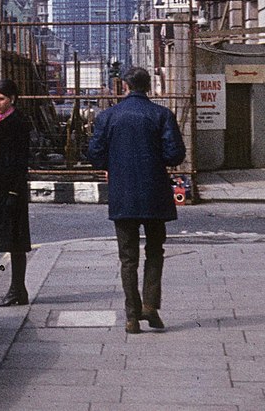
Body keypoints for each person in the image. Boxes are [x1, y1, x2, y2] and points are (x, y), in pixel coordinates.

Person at [87, 66, 186, 334]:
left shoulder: (108, 116)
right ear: (148, 86)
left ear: (125, 86)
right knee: (155, 251)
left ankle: (131, 316)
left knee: (128, 257)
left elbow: (94, 154)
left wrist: (113, 163)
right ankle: (150, 306)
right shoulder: (162, 115)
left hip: (123, 193)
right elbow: (175, 154)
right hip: (154, 192)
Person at [0, 78, 33, 307]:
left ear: (12, 99)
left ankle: (17, 290)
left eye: (1, 99)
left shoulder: (17, 123)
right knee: (11, 242)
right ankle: (18, 290)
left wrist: (12, 192)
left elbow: (19, 162)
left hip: (12, 192)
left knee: (16, 243)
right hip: (0, 190)